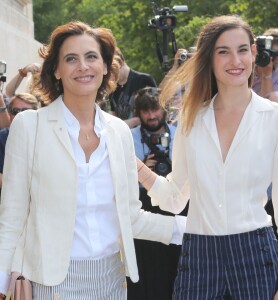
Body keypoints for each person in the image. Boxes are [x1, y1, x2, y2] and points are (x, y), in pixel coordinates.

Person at [0, 21, 184, 300]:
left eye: (91, 57)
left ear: (105, 67)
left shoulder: (119, 132)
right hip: (50, 283)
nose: (83, 66)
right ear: (57, 70)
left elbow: (131, 217)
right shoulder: (29, 127)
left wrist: (193, 229)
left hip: (112, 281)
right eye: (71, 59)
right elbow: (12, 216)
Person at [136, 15, 278, 299]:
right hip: (199, 256)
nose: (235, 60)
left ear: (253, 54)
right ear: (209, 59)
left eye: (242, 50)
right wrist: (135, 167)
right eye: (223, 51)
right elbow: (176, 198)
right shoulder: (191, 118)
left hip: (257, 255)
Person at [128, 87, 187, 300]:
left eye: (155, 110)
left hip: (177, 203)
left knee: (178, 264)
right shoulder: (129, 138)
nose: (152, 116)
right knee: (147, 268)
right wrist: (143, 169)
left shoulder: (181, 133)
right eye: (145, 111)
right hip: (143, 205)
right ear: (139, 113)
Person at [0, 93, 40, 191]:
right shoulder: (2, 137)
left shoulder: (47, 137)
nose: (20, 115)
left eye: (26, 111)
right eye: (16, 111)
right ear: (9, 114)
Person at [109, 48, 157, 128]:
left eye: (111, 71)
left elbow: (156, 111)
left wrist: (133, 122)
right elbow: (114, 114)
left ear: (120, 62)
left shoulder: (144, 80)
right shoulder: (113, 86)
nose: (109, 77)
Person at [252, 28, 278, 97]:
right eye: (274, 53)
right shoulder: (248, 67)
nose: (277, 58)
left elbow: (271, 104)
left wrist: (267, 75)